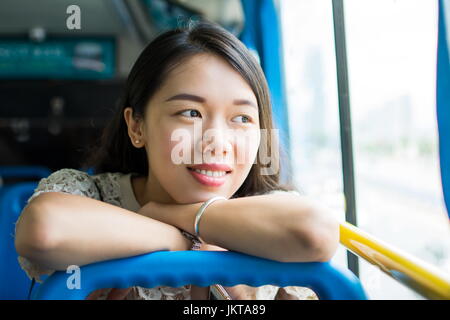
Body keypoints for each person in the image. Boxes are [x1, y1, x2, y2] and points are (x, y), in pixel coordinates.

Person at [14, 21, 339, 300]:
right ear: (136, 126)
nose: (217, 142)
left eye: (241, 119)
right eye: (191, 113)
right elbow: (45, 229)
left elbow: (316, 232)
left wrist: (176, 214)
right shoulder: (90, 195)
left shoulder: (272, 212)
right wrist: (179, 239)